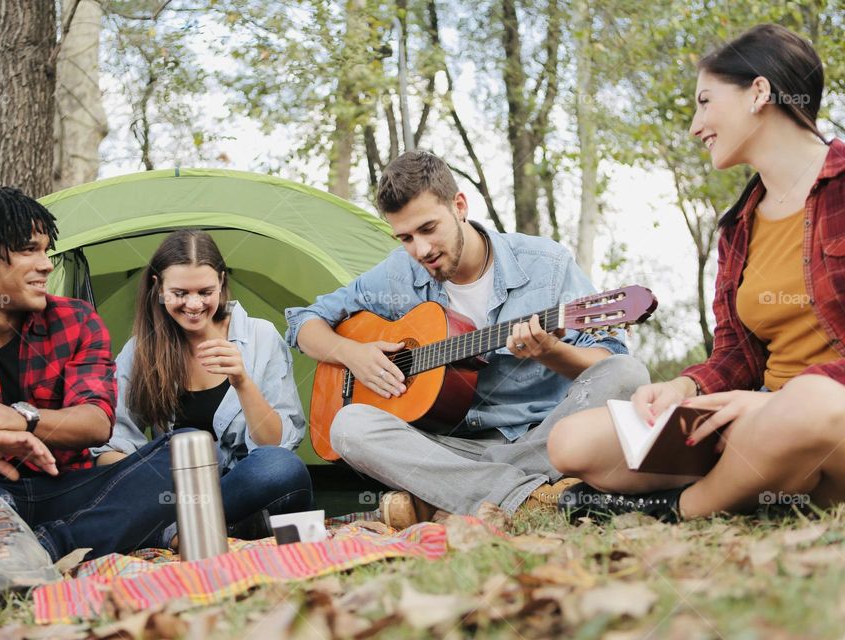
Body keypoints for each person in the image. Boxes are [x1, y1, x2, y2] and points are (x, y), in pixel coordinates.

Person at [548, 24, 845, 522]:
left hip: (823, 415)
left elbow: (802, 402)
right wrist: (684, 390)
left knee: (808, 405)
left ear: (759, 93)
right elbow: (735, 354)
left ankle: (681, 508)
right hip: (761, 415)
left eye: (706, 101)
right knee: (572, 441)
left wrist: (775, 406)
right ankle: (767, 484)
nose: (695, 125)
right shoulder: (739, 227)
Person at [285, 149, 649, 526]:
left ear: (459, 205)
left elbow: (606, 360)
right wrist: (350, 353)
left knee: (628, 374)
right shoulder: (398, 273)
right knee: (348, 427)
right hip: (453, 448)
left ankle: (461, 493)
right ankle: (529, 493)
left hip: (546, 436)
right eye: (405, 237)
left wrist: (551, 352)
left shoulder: (547, 264)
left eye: (428, 229)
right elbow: (303, 323)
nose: (420, 250)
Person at [0, 187, 182, 609]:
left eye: (46, 250)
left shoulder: (76, 319)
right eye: (28, 250)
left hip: (58, 494)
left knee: (186, 452)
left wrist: (17, 420)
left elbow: (96, 421)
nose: (46, 264)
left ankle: (31, 550)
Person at [93, 229, 311, 539]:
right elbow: (110, 448)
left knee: (282, 468)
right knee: (185, 441)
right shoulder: (141, 350)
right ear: (158, 288)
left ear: (221, 283)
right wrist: (155, 478)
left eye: (205, 292)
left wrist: (242, 382)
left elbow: (275, 446)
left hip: (248, 491)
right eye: (180, 293)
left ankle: (187, 531)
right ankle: (198, 529)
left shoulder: (261, 337)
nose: (194, 305)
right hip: (178, 494)